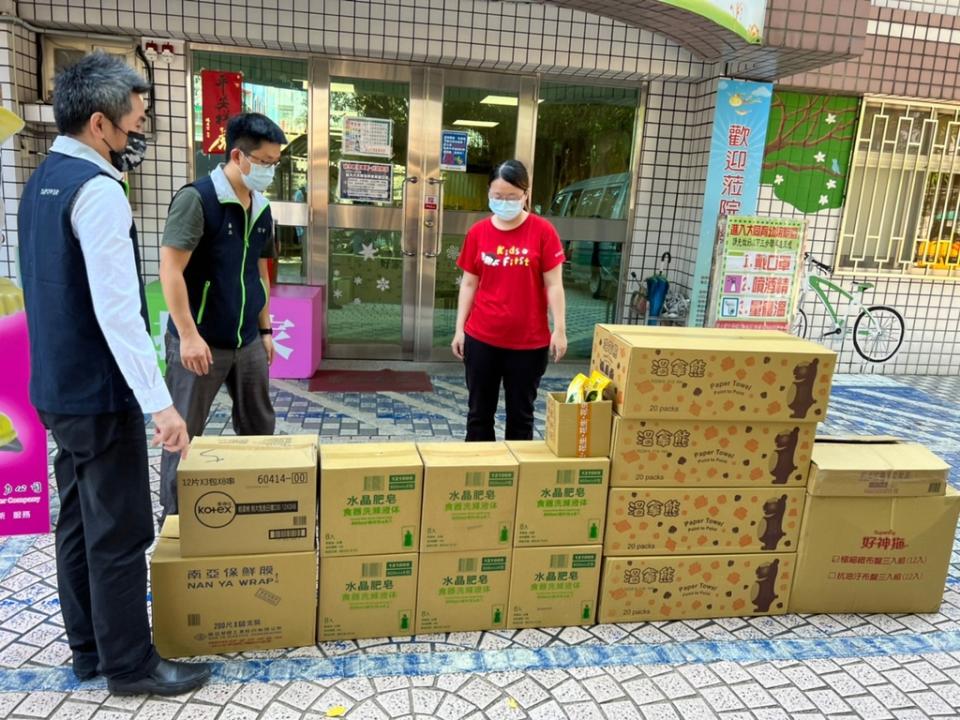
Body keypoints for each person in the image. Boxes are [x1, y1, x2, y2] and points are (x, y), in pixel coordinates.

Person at [17, 52, 210, 695]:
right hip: (99, 397)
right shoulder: (98, 192)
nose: (140, 133)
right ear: (100, 124)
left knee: (77, 519)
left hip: (55, 387)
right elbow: (119, 314)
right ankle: (130, 665)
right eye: (136, 122)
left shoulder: (42, 180)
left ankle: (90, 649)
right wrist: (161, 405)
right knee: (121, 530)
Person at [158, 113, 285, 524]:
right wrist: (188, 336)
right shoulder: (197, 201)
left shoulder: (261, 207)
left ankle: (258, 504)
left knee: (259, 424)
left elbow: (259, 273)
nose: (270, 170)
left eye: (275, 163)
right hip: (200, 341)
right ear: (238, 155)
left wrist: (264, 329)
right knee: (183, 431)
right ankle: (174, 519)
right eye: (265, 162)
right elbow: (170, 270)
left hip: (246, 339)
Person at [452, 159, 567, 441]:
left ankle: (516, 482)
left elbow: (554, 284)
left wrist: (560, 329)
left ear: (526, 195)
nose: (505, 202)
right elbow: (468, 283)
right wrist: (459, 330)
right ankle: (478, 478)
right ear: (489, 194)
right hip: (482, 338)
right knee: (479, 415)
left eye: (512, 197)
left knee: (521, 418)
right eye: (497, 196)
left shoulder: (543, 231)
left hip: (529, 342)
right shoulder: (478, 232)